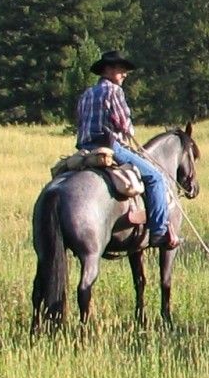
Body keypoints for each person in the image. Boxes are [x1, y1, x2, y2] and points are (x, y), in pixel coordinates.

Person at [75, 49, 181, 249]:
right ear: (108, 70)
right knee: (155, 177)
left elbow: (80, 122)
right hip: (110, 146)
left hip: (85, 148)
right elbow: (125, 125)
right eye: (121, 69)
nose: (124, 74)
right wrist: (129, 130)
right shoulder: (114, 91)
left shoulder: (86, 94)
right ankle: (158, 232)